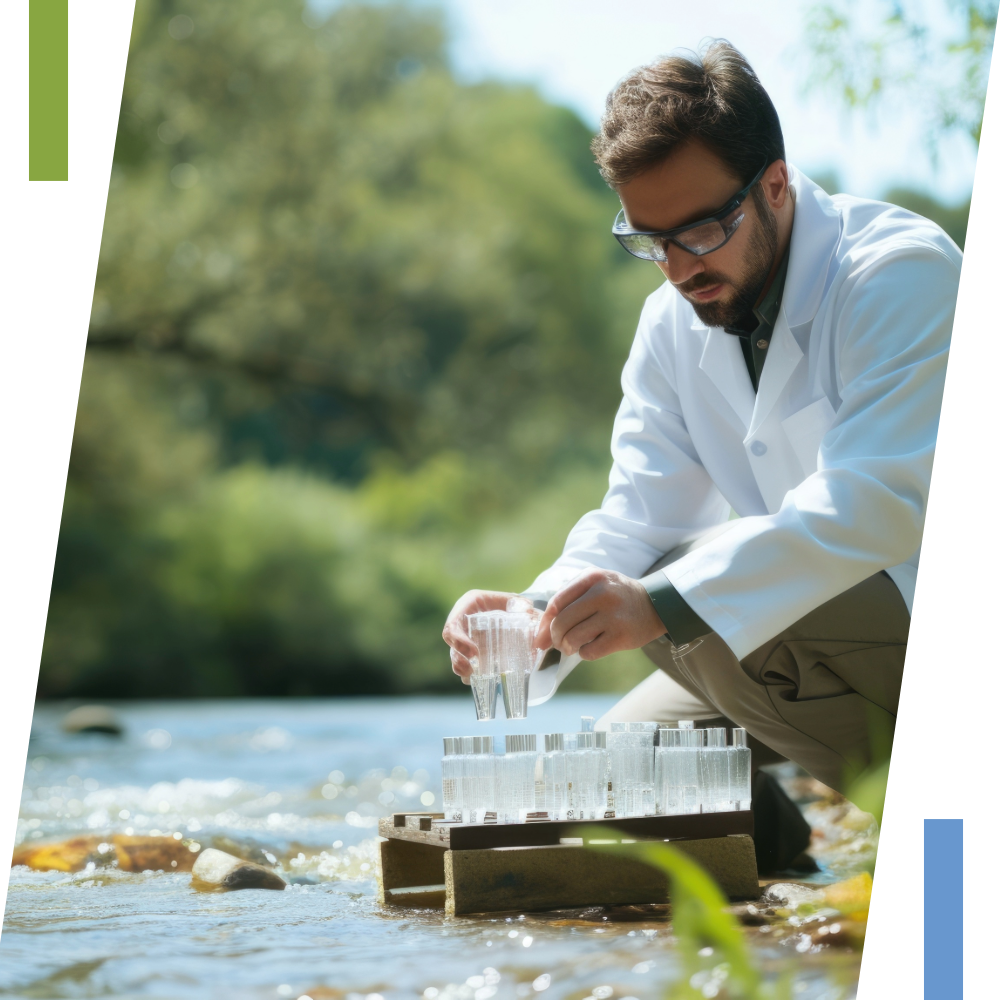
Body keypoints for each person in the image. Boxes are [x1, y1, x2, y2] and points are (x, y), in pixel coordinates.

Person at [441, 41, 959, 867]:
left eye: (703, 230)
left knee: (689, 605)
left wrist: (660, 603)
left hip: (890, 608)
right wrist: (534, 617)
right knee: (607, 786)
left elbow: (877, 506)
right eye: (652, 240)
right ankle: (789, 861)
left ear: (776, 185)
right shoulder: (671, 319)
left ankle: (943, 864)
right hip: (803, 638)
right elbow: (639, 516)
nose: (681, 269)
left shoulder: (899, 272)